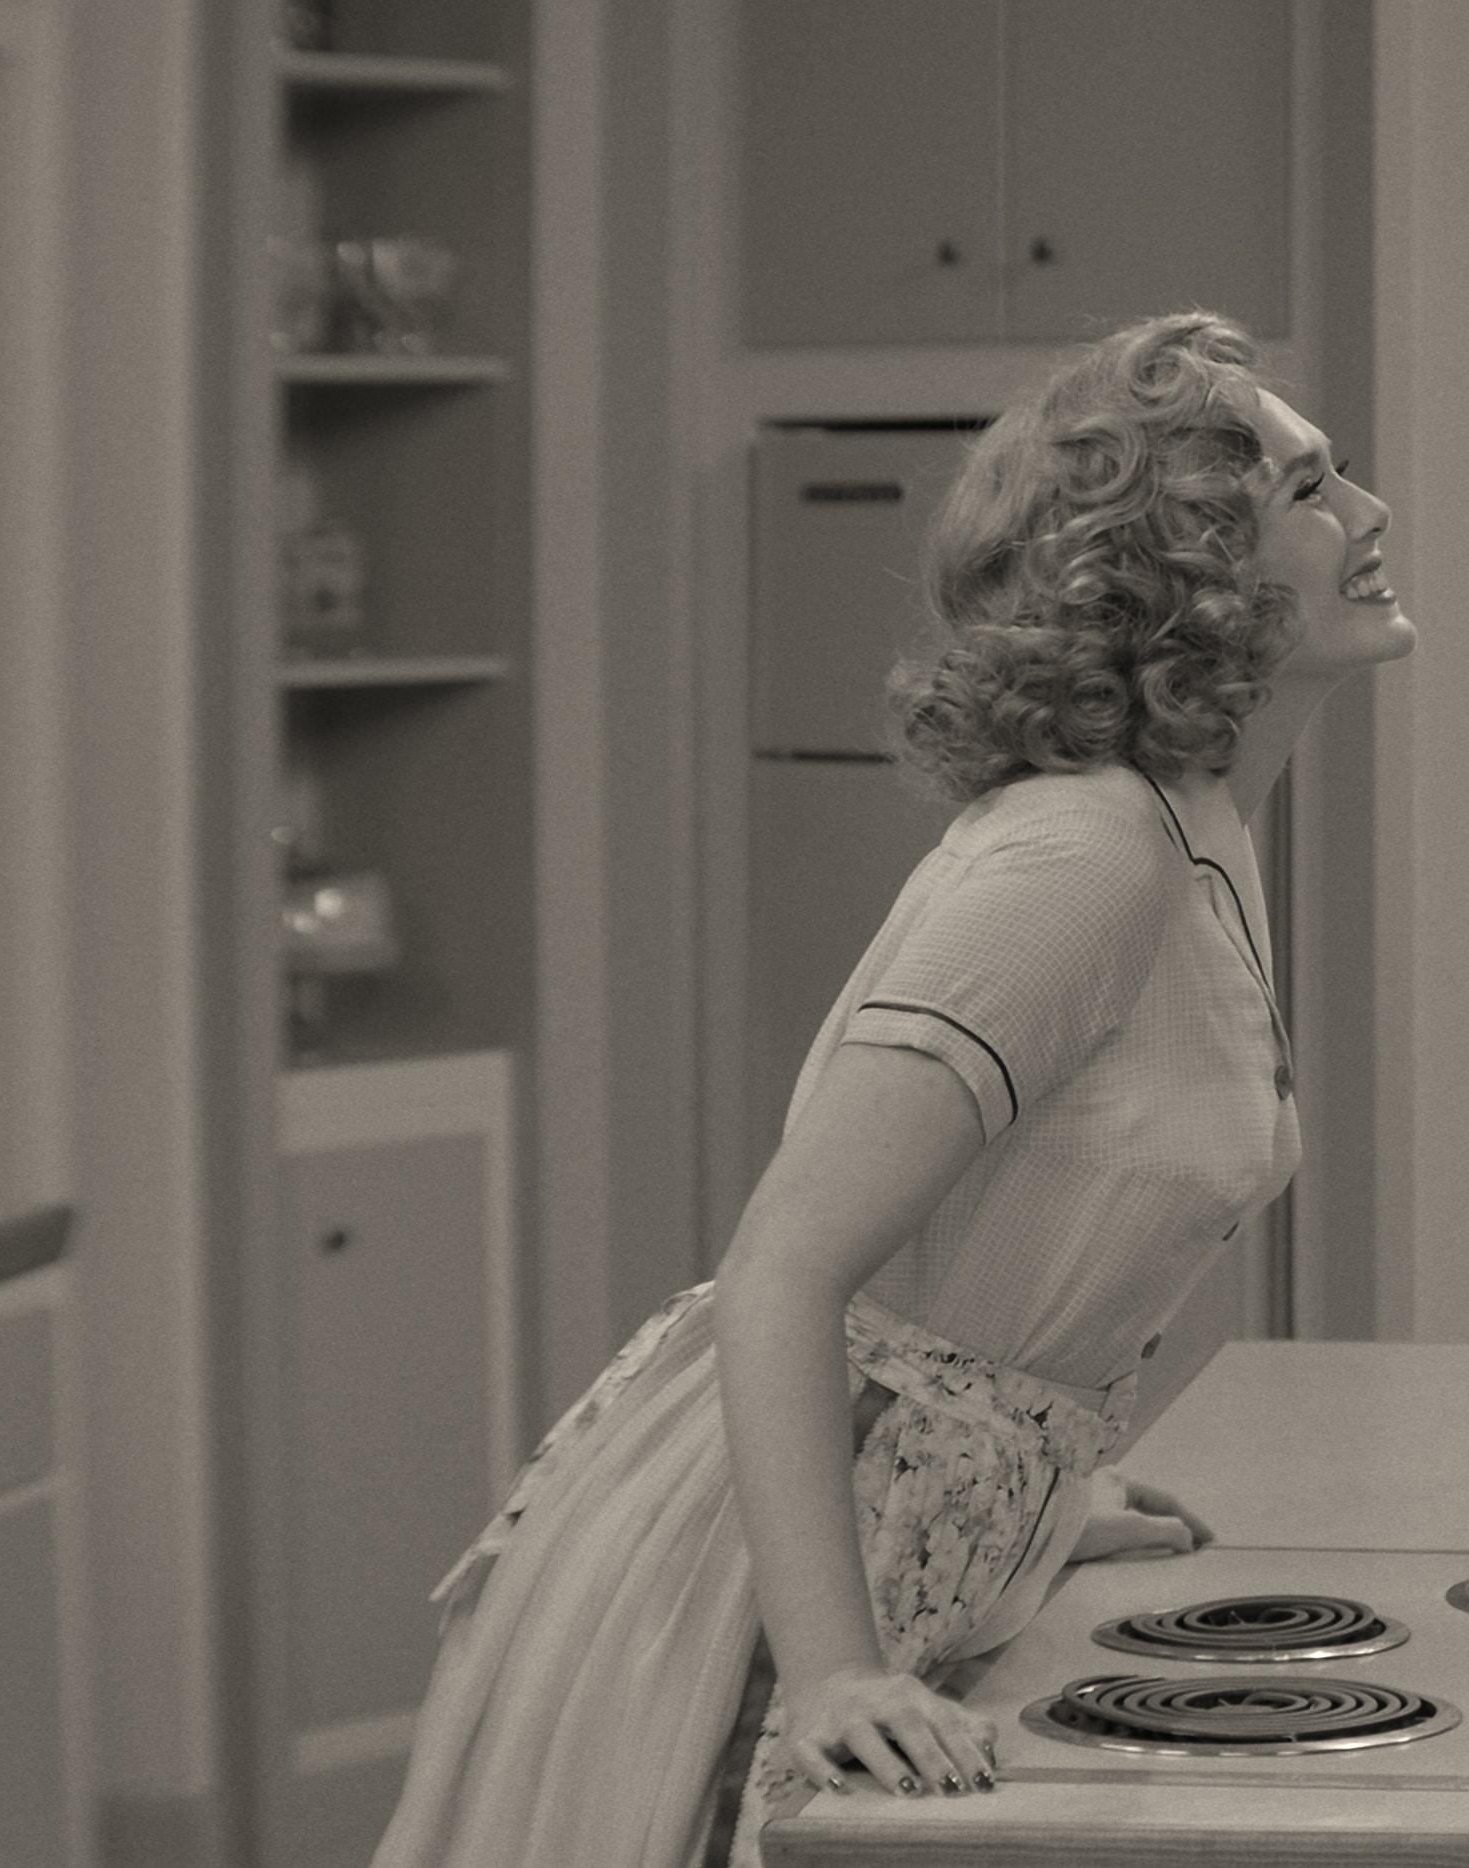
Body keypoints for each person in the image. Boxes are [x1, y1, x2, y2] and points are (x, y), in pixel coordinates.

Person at [371, 310, 1413, 1868]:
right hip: (761, 1568)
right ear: (1187, 576)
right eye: (1311, 490)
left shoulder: (1192, 826)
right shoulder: (1085, 856)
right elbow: (782, 1270)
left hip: (904, 1516)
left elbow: (994, 1278)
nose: (1371, 512)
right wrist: (834, 1673)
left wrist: (1035, 1491)